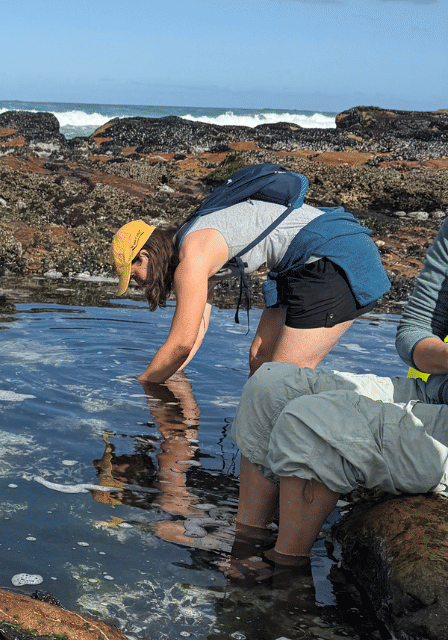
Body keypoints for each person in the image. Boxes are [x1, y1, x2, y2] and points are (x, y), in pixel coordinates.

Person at [225, 218, 448, 580]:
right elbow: (414, 333)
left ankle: (286, 578)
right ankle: (246, 541)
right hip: (436, 390)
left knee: (312, 423)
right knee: (269, 385)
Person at [112, 194, 388, 384]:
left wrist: (143, 385)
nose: (137, 283)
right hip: (300, 262)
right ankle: (259, 455)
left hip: (335, 253)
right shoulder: (197, 248)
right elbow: (195, 331)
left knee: (278, 383)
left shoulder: (193, 256)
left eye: (133, 274)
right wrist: (169, 377)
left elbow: (181, 343)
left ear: (145, 255)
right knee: (260, 359)